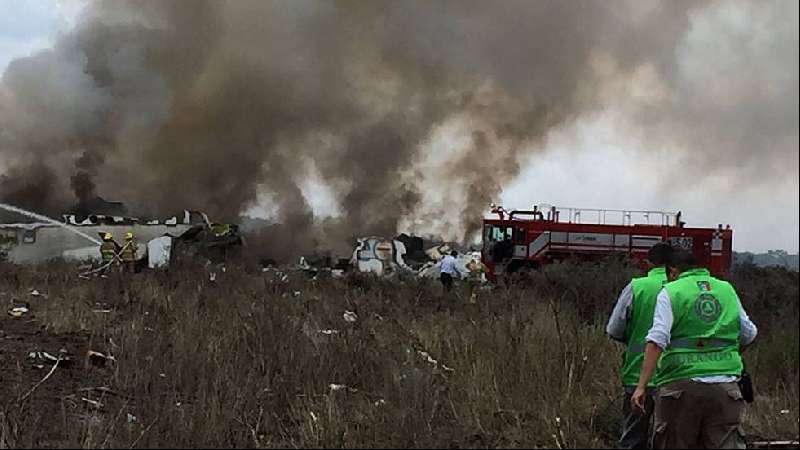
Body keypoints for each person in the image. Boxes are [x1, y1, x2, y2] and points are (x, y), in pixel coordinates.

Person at [631, 249, 757, 449]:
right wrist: (727, 356)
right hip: (725, 388)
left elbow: (657, 339)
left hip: (680, 386)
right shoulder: (726, 289)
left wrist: (641, 387)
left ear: (672, 271)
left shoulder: (672, 291)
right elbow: (749, 333)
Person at [606, 242, 673, 449]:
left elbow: (614, 329)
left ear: (648, 262)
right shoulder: (681, 289)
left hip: (637, 374)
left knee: (633, 436)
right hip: (676, 375)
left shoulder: (637, 287)